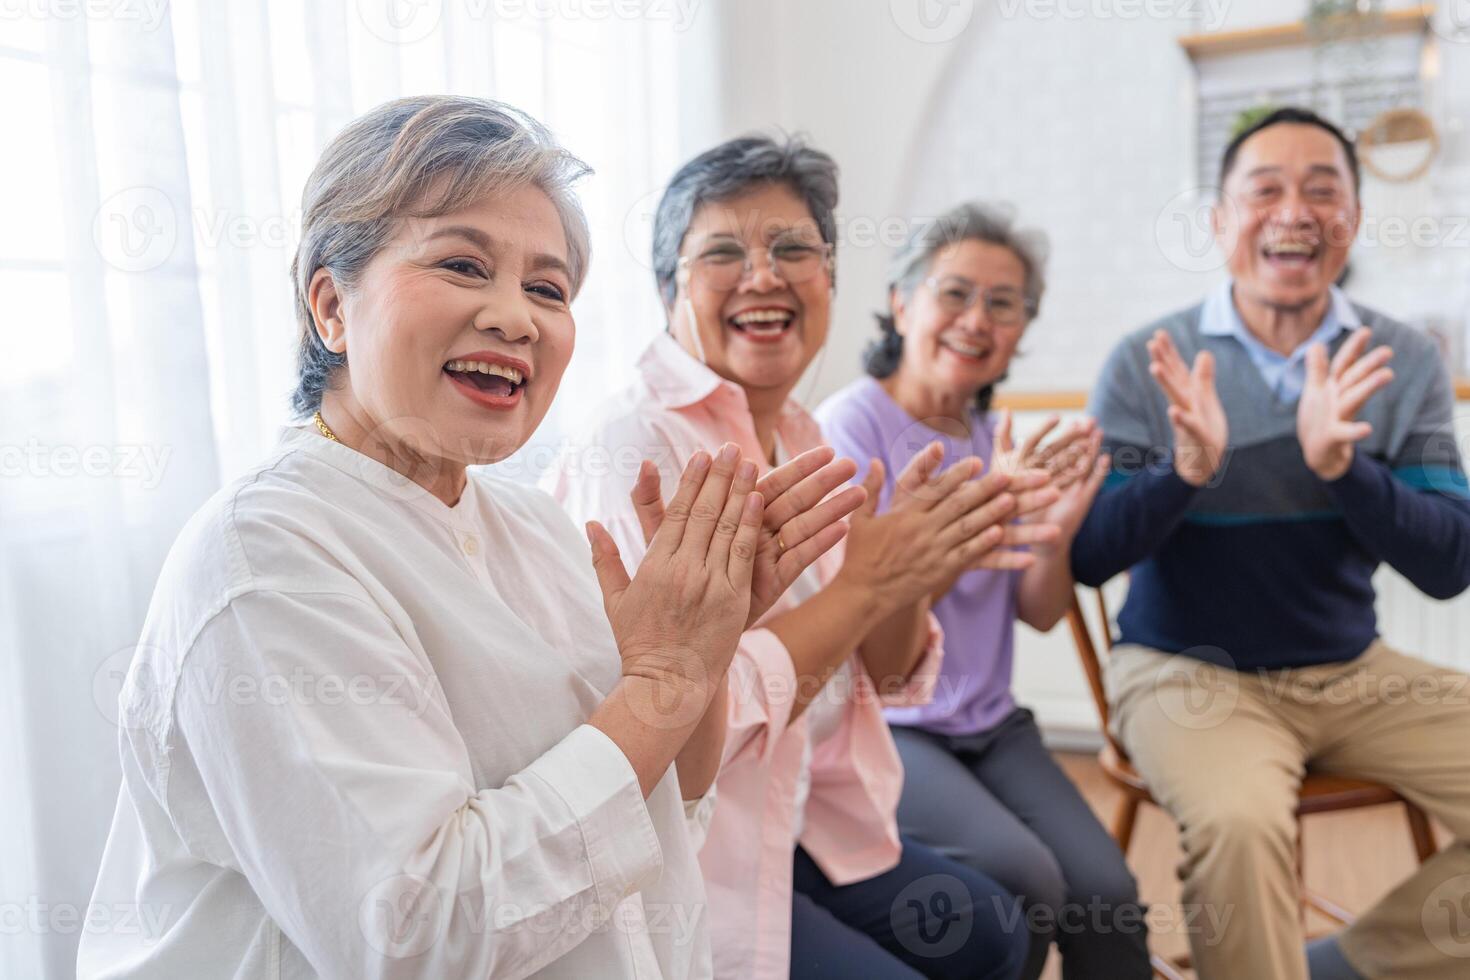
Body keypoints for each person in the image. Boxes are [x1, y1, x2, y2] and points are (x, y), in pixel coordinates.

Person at [77, 96, 859, 979]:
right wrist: (665, 677)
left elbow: (667, 797)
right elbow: (415, 936)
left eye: (547, 287)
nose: (516, 318)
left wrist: (705, 654)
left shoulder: (536, 525)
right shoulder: (265, 557)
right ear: (332, 306)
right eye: (462, 264)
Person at [549, 137, 1037, 980]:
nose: (764, 275)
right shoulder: (637, 449)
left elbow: (879, 675)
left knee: (997, 930)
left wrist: (909, 579)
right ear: (670, 290)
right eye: (724, 253)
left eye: (793, 250)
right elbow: (682, 730)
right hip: (688, 856)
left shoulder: (801, 436)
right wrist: (864, 587)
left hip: (806, 812)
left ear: (832, 284)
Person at [1073, 106, 1470, 980]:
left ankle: (1342, 965)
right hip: (1186, 668)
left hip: (1350, 670)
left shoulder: (1401, 359)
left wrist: (1346, 470)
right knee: (1241, 825)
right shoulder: (1149, 358)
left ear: (1352, 222)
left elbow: (1449, 567)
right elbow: (1087, 557)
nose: (1294, 211)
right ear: (1220, 223)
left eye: (1322, 190)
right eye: (1265, 190)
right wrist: (1183, 472)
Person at [815, 201, 1151, 980]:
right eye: (955, 293)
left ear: (1021, 332)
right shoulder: (848, 430)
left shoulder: (982, 433)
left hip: (992, 725)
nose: (978, 319)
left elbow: (1036, 612)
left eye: (1004, 304)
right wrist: (979, 520)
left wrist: (1053, 533)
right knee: (1025, 878)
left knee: (1108, 893)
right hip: (888, 724)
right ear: (902, 301)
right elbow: (863, 632)